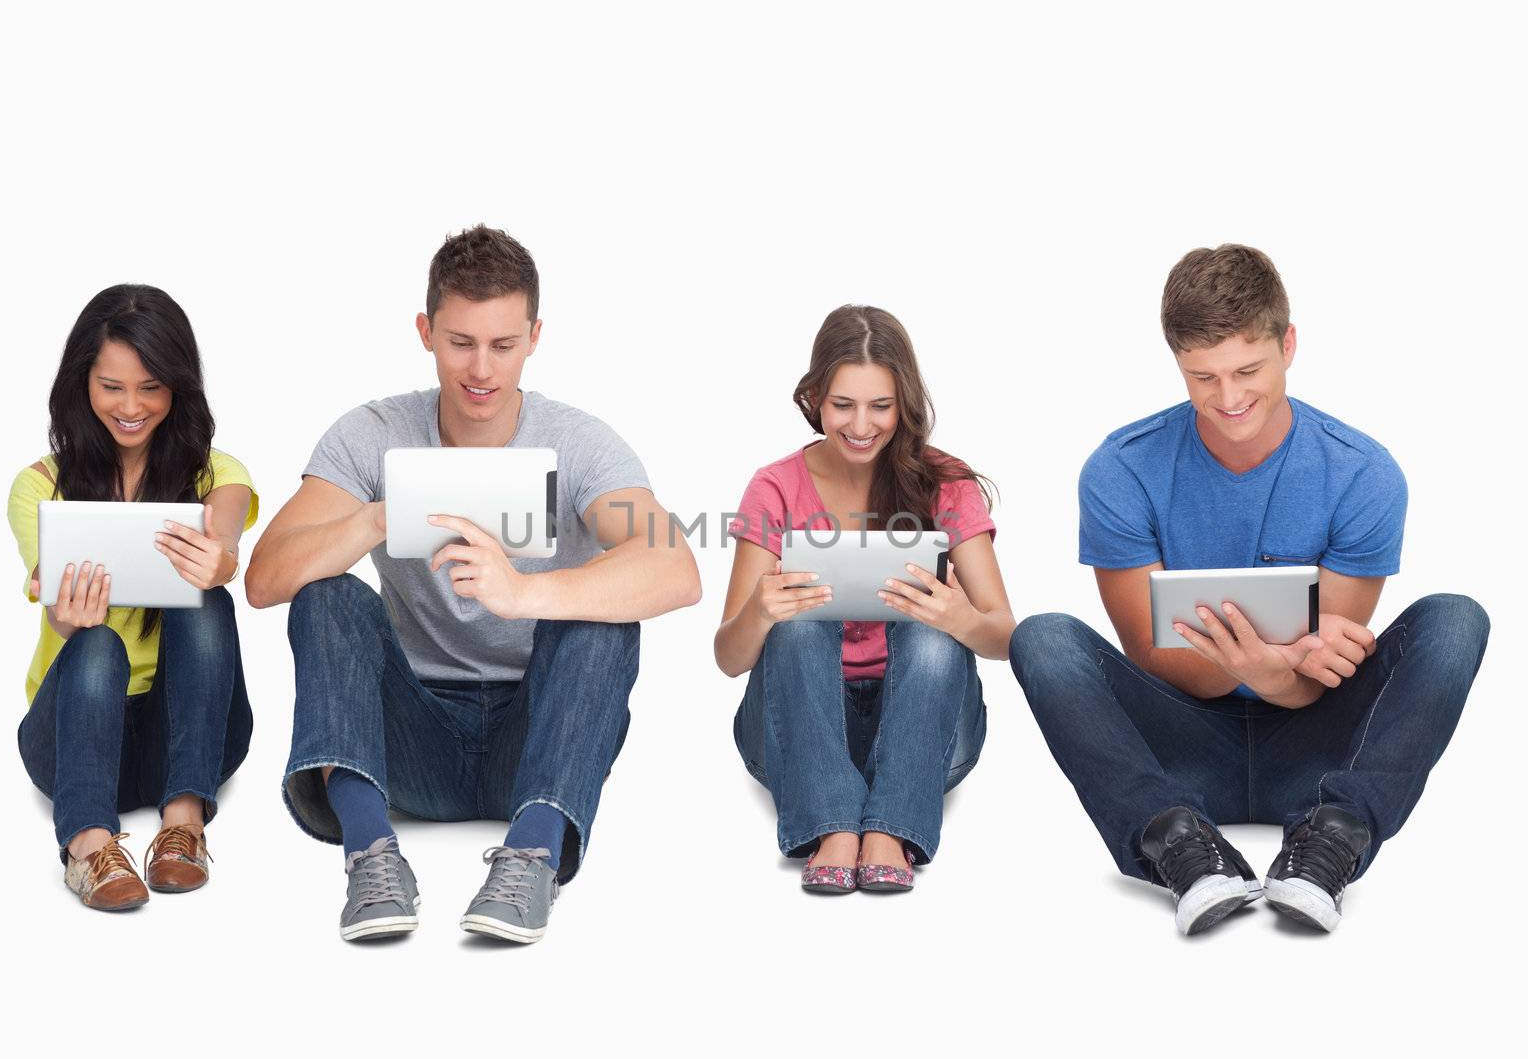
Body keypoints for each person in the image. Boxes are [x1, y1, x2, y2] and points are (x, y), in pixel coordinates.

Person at [1009, 244, 1489, 934]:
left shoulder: (1363, 473)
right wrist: (1264, 661)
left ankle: (1334, 835)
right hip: (1182, 742)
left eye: (1248, 370)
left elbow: (1328, 668)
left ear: (1287, 345)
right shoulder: (1119, 469)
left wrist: (1273, 672)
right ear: (1176, 360)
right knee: (1044, 637)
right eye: (1202, 376)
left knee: (1455, 619)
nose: (1228, 398)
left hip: (1317, 742)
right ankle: (1177, 841)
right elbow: (1152, 654)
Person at [247, 225, 701, 944]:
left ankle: (534, 851)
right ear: (426, 332)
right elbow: (266, 577)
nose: (481, 368)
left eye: (502, 344)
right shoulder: (370, 433)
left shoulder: (580, 442)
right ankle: (369, 852)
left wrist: (526, 593)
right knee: (326, 592)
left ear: (534, 336)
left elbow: (676, 567)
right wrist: (375, 517)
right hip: (411, 739)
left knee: (604, 608)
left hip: (542, 737)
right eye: (460, 342)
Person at [715, 304, 1015, 894]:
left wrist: (959, 616)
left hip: (922, 731)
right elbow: (729, 657)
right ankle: (832, 825)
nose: (860, 426)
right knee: (798, 627)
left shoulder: (944, 482)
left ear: (905, 403)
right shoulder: (774, 486)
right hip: (797, 732)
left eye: (880, 406)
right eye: (842, 405)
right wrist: (761, 610)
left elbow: (1006, 635)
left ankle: (889, 827)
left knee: (935, 632)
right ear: (814, 400)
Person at [10, 284, 258, 911]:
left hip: (188, 736)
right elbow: (54, 604)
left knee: (207, 599)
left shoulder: (212, 471)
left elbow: (224, 525)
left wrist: (220, 557)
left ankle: (183, 823)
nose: (131, 406)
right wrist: (65, 623)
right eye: (111, 386)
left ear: (177, 388)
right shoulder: (38, 488)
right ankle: (89, 846)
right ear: (81, 384)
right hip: (76, 734)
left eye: (150, 387)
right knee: (96, 642)